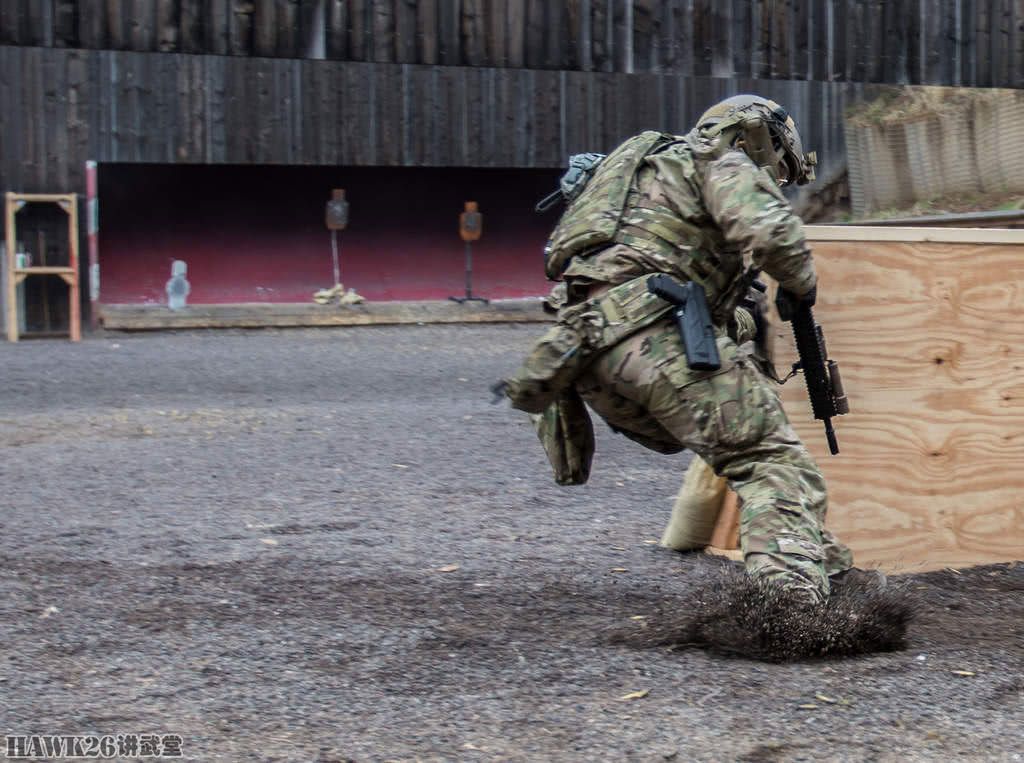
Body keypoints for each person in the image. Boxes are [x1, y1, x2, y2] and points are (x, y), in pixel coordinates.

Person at [496, 94, 868, 605]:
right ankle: (790, 608)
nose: (776, 181)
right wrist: (799, 287)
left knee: (742, 448)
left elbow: (630, 270)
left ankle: (832, 574)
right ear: (753, 136)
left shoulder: (637, 173)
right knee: (767, 460)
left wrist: (738, 321)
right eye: (778, 168)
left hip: (582, 356)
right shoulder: (718, 160)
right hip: (652, 338)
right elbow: (773, 232)